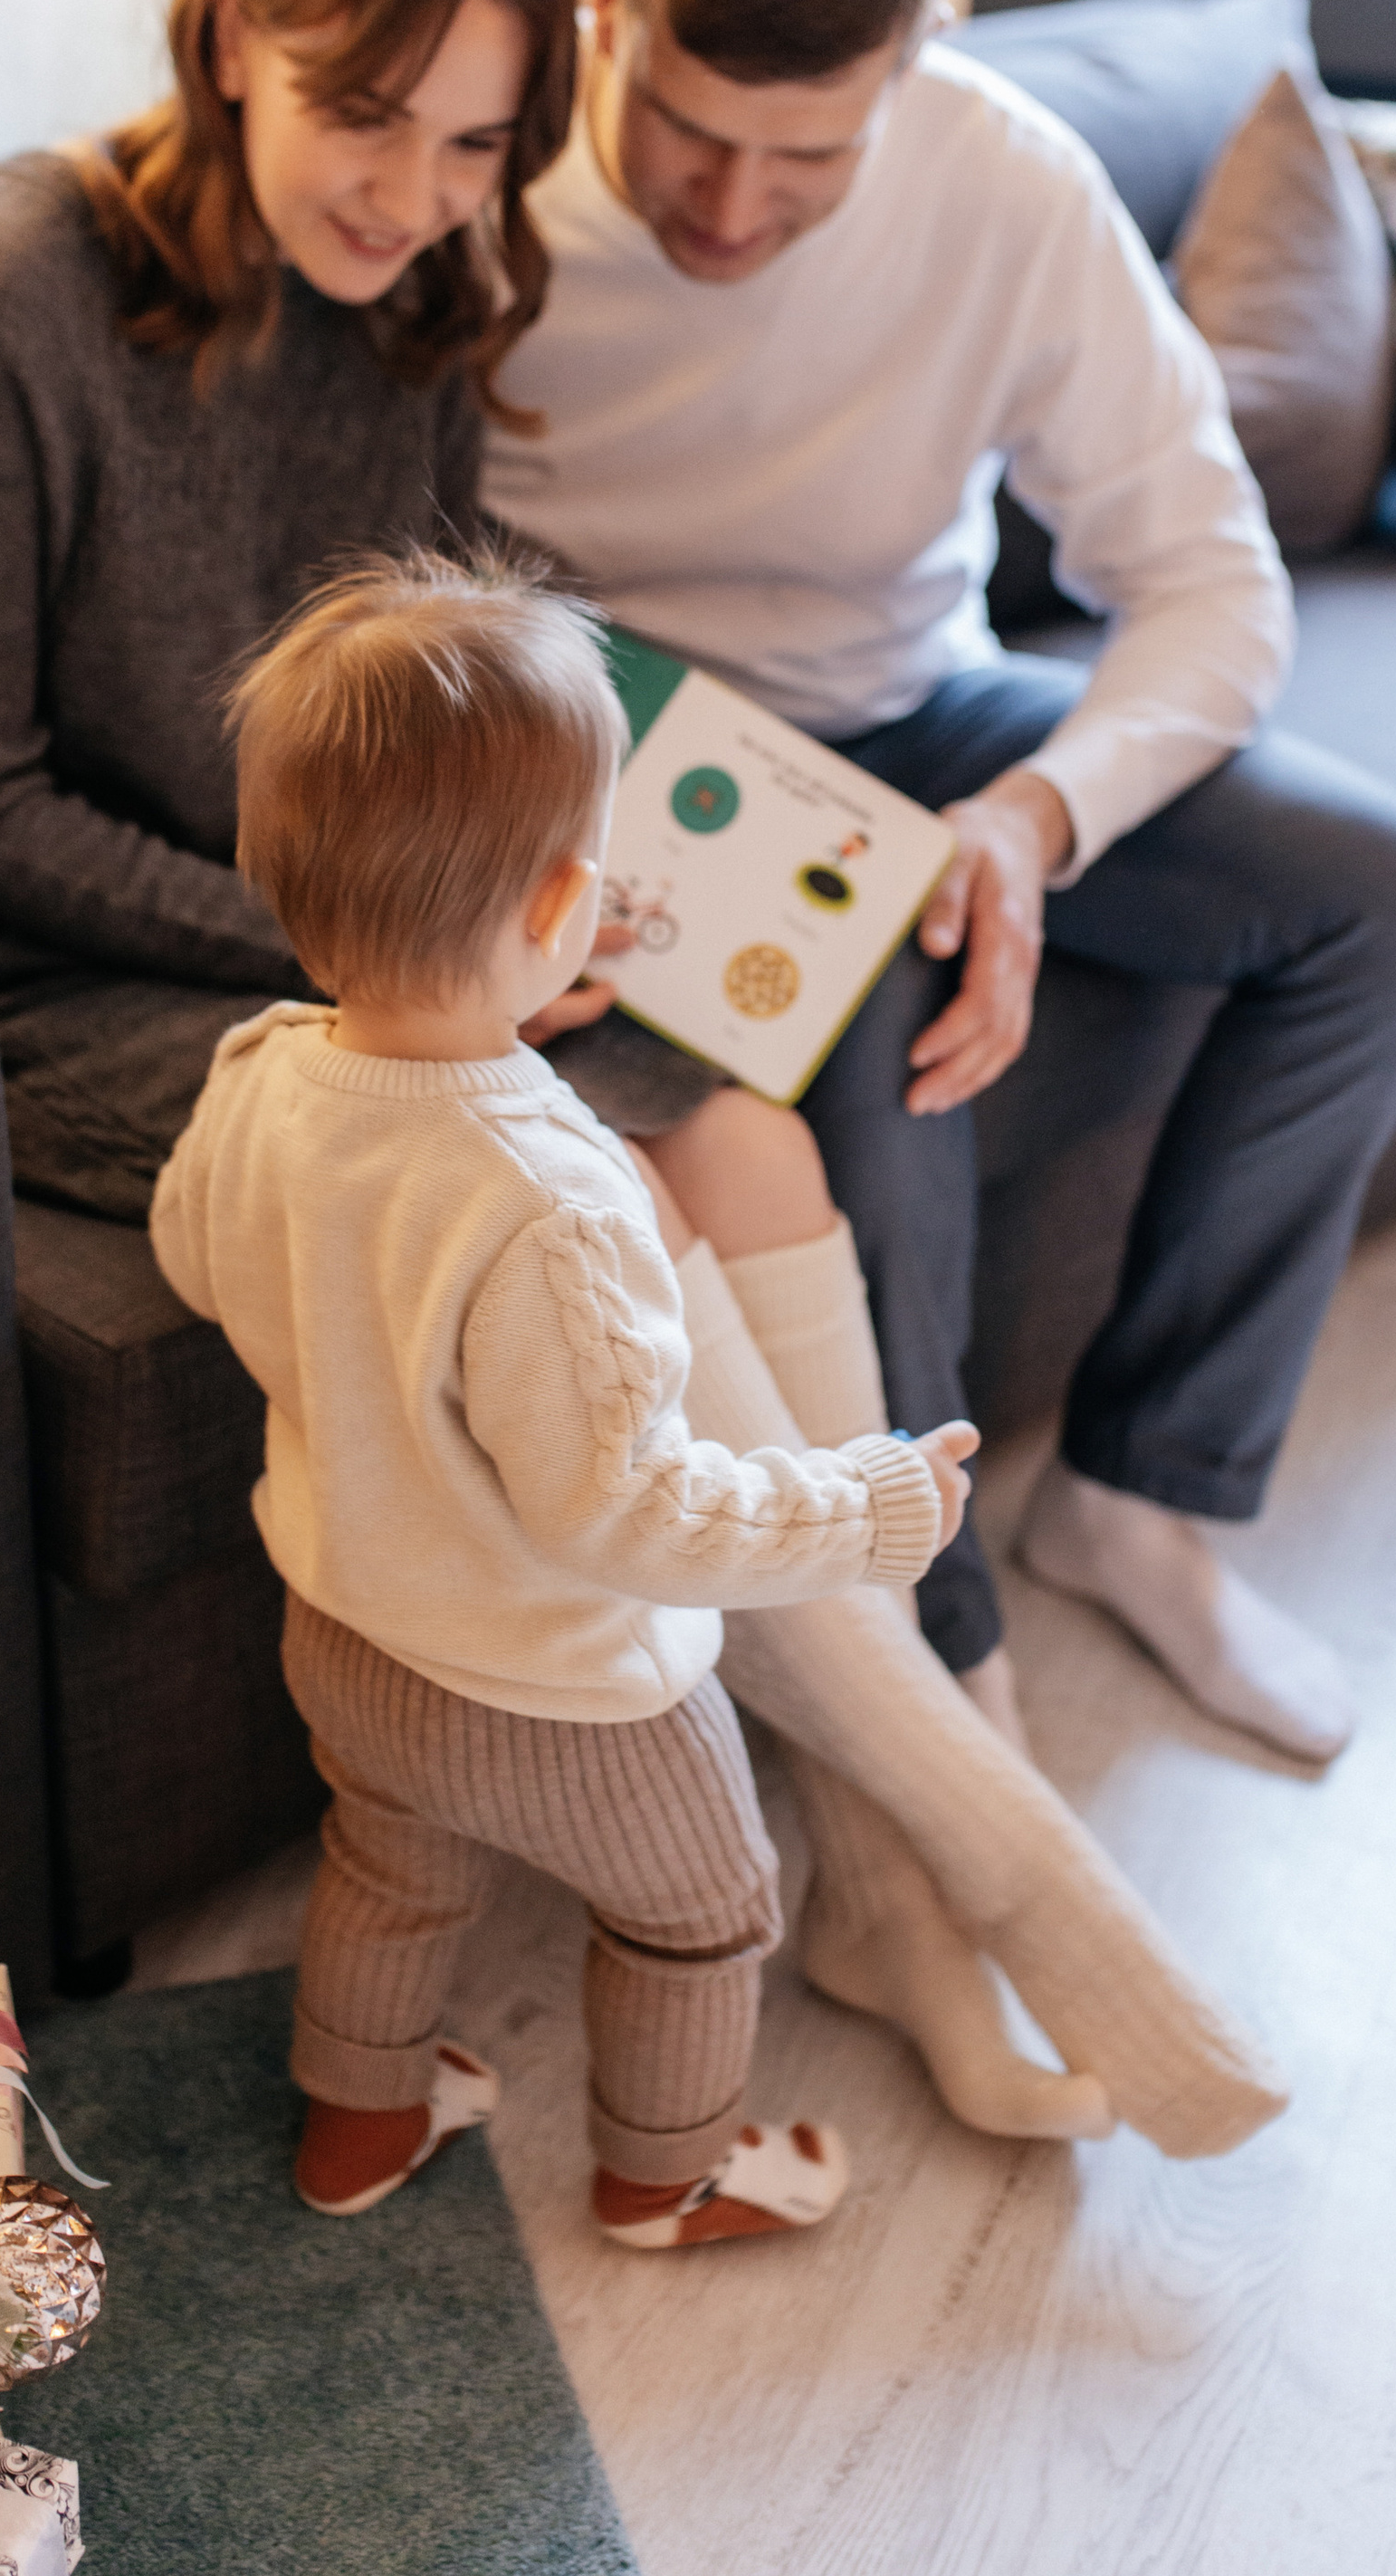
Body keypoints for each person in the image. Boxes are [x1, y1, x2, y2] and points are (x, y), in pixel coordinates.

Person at [0, 0, 1286, 2164]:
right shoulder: (0, 284)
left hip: (369, 953)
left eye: (479, 144)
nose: (410, 196)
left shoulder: (415, 316)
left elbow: (453, 712)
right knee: (548, 1161)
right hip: (70, 980)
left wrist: (570, 899)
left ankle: (906, 1856)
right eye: (362, 113)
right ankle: (980, 1844)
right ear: (232, 34)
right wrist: (404, 954)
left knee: (729, 1096)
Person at [489, 0, 1396, 1772]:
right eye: (685, 131)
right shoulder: (471, 177)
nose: (732, 209)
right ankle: (941, 1682)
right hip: (617, 756)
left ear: (915, 55)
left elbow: (1212, 585)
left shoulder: (999, 179)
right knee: (882, 1030)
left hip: (923, 706)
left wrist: (1027, 822)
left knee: (1389, 900)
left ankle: (1143, 1495)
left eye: (809, 159)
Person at [149, 553, 976, 2243]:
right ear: (553, 915)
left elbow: (192, 1259)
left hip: (348, 1626)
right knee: (703, 1914)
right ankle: (666, 2172)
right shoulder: (558, 1194)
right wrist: (868, 1504)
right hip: (564, 1689)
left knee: (389, 1866)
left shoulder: (260, 1073)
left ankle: (360, 2125)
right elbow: (633, 1510)